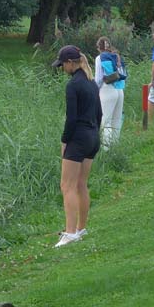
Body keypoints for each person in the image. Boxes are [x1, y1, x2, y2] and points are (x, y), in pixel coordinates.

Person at [52, 45, 102, 248]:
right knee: (81, 184)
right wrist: (93, 134)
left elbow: (71, 118)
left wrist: (65, 141)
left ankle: (70, 233)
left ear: (71, 63)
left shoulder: (73, 85)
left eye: (63, 64)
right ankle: (81, 228)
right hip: (92, 136)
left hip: (78, 138)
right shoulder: (91, 83)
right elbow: (99, 115)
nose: (62, 68)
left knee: (67, 186)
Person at [93, 36, 126, 147]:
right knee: (116, 119)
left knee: (106, 120)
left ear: (99, 47)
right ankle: (115, 146)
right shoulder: (116, 56)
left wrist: (94, 90)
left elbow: (98, 78)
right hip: (119, 89)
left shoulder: (100, 58)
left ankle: (106, 148)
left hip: (107, 89)